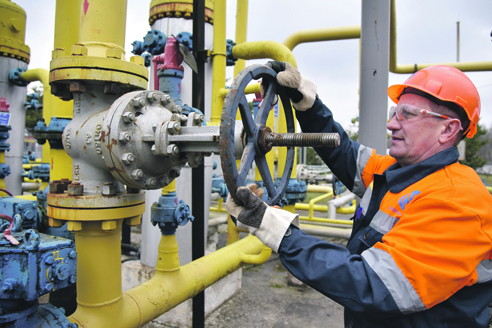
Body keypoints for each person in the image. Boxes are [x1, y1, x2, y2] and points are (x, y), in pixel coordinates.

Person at [226, 62, 492, 328]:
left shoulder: (458, 202)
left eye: (407, 115)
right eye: (394, 113)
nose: (391, 125)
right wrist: (307, 103)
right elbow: (345, 155)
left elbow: (373, 284)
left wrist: (278, 231)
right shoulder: (398, 171)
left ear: (447, 129)